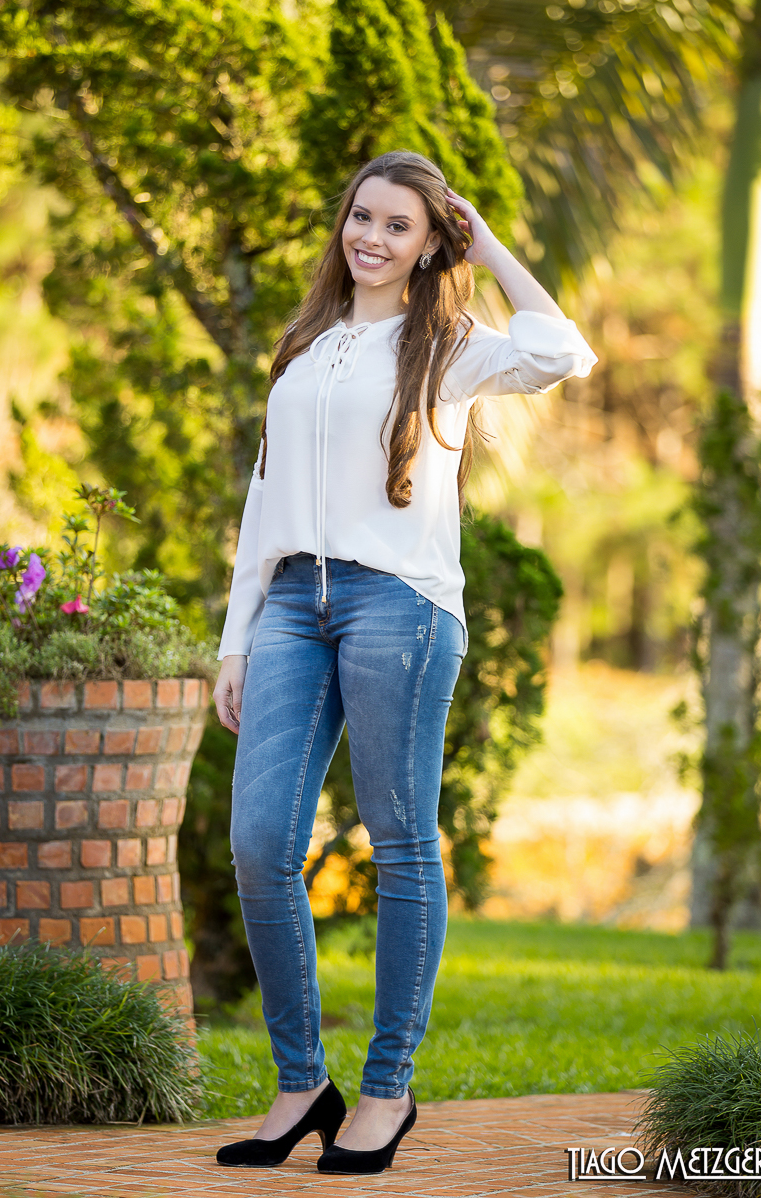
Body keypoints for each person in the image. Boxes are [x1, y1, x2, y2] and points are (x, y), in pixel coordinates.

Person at [212, 150, 596, 1175]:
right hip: (294, 603)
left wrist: (491, 245)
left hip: (402, 608)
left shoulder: (452, 345)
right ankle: (302, 1084)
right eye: (361, 218)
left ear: (430, 246)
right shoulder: (305, 344)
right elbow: (262, 502)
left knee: (399, 845)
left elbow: (564, 352)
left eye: (397, 226)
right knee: (258, 843)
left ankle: (387, 1088)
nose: (370, 238)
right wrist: (236, 639)